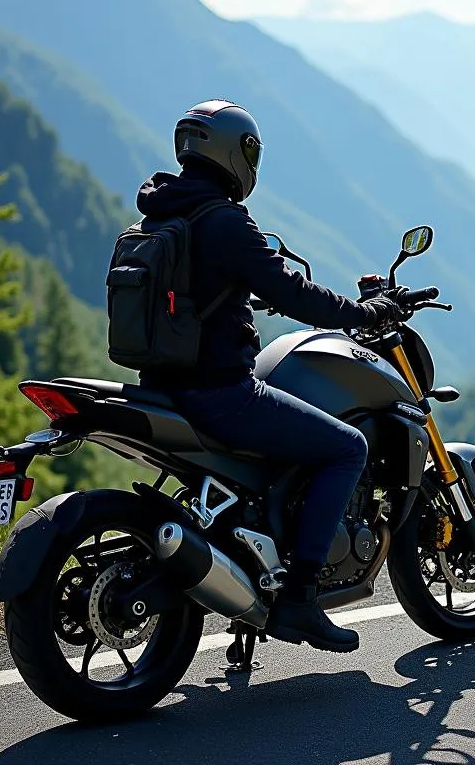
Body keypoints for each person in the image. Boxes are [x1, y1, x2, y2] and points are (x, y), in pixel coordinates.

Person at [136, 98, 404, 653]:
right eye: (251, 150)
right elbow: (293, 291)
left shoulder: (165, 213)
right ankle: (301, 597)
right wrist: (364, 313)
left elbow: (200, 294)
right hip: (220, 393)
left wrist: (243, 295)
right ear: (235, 152)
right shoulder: (225, 220)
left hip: (164, 388)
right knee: (346, 448)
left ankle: (253, 573)